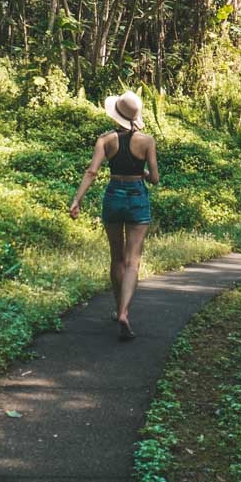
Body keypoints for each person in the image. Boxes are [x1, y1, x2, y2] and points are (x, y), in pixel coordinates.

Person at [68, 90, 160, 341]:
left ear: (116, 114)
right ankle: (124, 312)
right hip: (137, 198)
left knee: (116, 258)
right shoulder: (147, 141)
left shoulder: (105, 140)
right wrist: (142, 175)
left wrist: (77, 200)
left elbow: (91, 172)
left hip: (114, 196)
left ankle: (117, 307)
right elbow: (154, 178)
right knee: (133, 262)